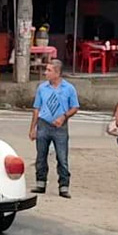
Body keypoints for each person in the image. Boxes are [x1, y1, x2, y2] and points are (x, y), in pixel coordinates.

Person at [28, 60, 79, 198]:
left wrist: (64, 116)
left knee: (62, 157)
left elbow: (75, 107)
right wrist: (33, 128)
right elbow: (36, 108)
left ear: (57, 73)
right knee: (41, 156)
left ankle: (63, 185)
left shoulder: (69, 88)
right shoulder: (42, 88)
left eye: (49, 70)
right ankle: (40, 182)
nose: (46, 73)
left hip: (60, 126)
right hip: (44, 123)